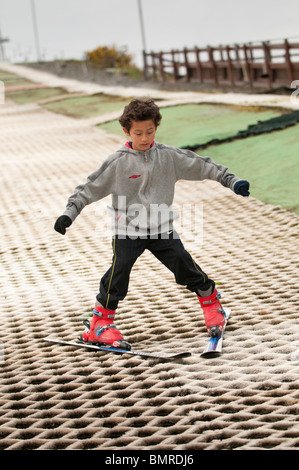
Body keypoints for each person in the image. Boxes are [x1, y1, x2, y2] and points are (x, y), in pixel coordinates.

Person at [54, 99, 250, 350]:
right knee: (118, 272)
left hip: (161, 228)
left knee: (183, 264)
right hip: (127, 230)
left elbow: (204, 166)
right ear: (126, 131)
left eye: (150, 131)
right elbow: (88, 189)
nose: (145, 138)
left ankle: (212, 304)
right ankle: (100, 325)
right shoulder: (117, 163)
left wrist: (232, 181)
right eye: (138, 133)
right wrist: (68, 214)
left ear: (156, 128)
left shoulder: (168, 157)